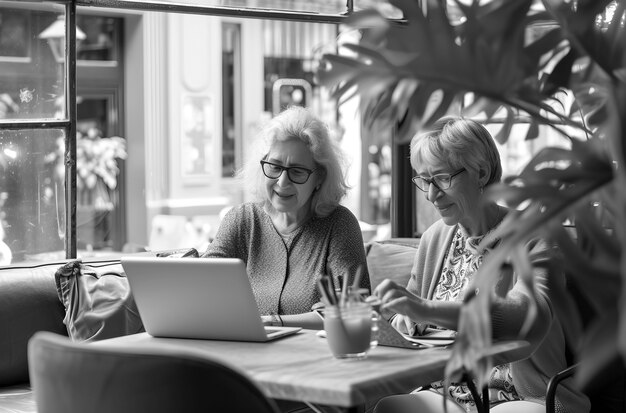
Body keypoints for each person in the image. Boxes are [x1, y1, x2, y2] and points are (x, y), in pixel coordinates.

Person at [371, 117, 589, 413]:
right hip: (447, 389)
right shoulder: (435, 237)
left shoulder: (535, 236)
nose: (431, 195)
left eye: (443, 178)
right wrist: (404, 317)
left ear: (481, 173)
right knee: (390, 407)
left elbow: (528, 317)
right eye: (424, 180)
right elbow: (408, 315)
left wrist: (423, 308)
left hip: (523, 395)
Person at [202, 106, 370, 330]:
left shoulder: (339, 225)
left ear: (319, 177)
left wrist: (273, 323)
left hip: (312, 359)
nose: (282, 182)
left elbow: (353, 310)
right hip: (241, 354)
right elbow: (201, 286)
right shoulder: (242, 220)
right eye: (275, 167)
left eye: (297, 171)